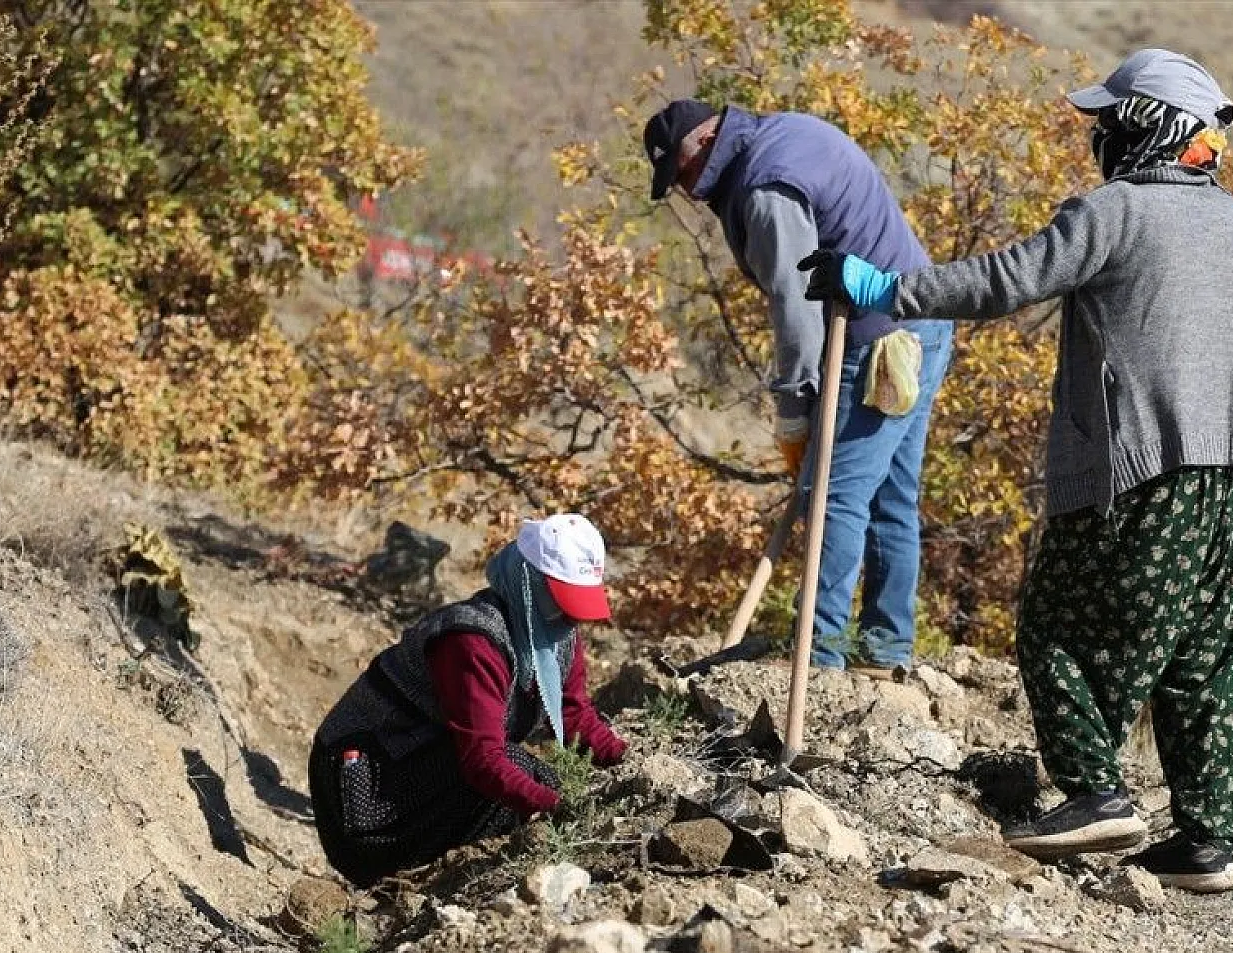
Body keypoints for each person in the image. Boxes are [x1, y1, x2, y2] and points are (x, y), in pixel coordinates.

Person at [800, 48, 1233, 892]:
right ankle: (1205, 844)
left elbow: (1010, 280)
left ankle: (1097, 791)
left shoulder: (1115, 211)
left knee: (1054, 624)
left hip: (1145, 469)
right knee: (1208, 655)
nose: (1098, 137)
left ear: (1149, 128)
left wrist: (885, 286)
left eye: (1108, 121)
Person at [643, 98, 955, 675]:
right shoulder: (783, 131)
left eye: (684, 171)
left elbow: (797, 306)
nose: (688, 190)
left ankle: (821, 655)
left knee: (833, 496)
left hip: (880, 345)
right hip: (925, 321)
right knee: (889, 497)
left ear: (709, 139)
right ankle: (886, 652)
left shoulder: (765, 189)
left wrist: (794, 407)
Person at [307, 514, 627, 888]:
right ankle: (409, 884)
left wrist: (626, 759)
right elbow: (482, 760)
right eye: (562, 601)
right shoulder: (472, 643)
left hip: (422, 763)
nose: (571, 617)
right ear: (528, 582)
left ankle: (444, 883)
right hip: (364, 789)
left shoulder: (555, 637)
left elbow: (573, 713)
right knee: (517, 779)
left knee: (531, 777)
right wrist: (556, 808)